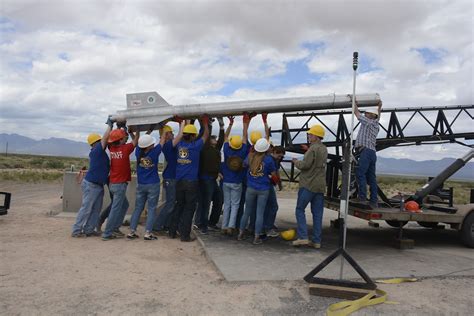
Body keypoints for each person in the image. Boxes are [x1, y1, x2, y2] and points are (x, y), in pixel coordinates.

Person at [169, 117, 209, 242]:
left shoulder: (179, 145)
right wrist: (205, 122)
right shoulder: (195, 146)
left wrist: (183, 122)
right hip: (191, 182)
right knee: (189, 208)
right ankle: (185, 236)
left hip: (179, 181)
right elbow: (206, 135)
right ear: (193, 136)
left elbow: (180, 136)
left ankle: (172, 231)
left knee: (178, 206)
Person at [71, 118, 112, 237]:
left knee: (95, 210)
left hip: (98, 185)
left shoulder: (98, 152)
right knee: (86, 209)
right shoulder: (97, 151)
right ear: (95, 143)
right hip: (91, 185)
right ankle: (76, 231)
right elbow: (105, 139)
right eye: (99, 141)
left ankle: (89, 230)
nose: (102, 142)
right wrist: (110, 126)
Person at [291, 124, 327, 248]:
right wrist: (308, 149)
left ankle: (303, 237)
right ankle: (316, 241)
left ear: (316, 136)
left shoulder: (312, 149)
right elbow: (316, 159)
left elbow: (305, 165)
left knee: (299, 209)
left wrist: (296, 162)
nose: (309, 136)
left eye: (311, 134)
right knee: (317, 214)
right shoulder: (323, 149)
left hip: (308, 184)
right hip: (320, 186)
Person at [238, 138, 279, 245]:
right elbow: (274, 175)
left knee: (247, 211)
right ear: (266, 149)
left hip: (251, 187)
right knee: (260, 213)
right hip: (264, 189)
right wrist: (274, 181)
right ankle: (257, 237)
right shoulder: (269, 160)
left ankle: (241, 233)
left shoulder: (250, 156)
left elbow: (243, 165)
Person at [102, 127, 139, 240]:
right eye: (124, 138)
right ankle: (108, 233)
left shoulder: (111, 148)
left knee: (124, 205)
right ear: (121, 140)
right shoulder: (125, 149)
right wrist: (137, 129)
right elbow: (136, 140)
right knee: (115, 209)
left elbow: (109, 139)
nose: (125, 139)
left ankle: (115, 228)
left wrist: (117, 128)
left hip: (113, 183)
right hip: (120, 185)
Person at [127, 133, 165, 240]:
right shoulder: (155, 152)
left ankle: (132, 231)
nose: (153, 144)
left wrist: (146, 131)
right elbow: (162, 140)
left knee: (138, 208)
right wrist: (164, 131)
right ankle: (148, 233)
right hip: (153, 184)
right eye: (151, 143)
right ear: (149, 146)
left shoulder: (138, 151)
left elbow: (139, 141)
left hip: (141, 184)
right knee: (152, 208)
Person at [221, 114, 251, 235]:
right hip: (237, 182)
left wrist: (230, 124)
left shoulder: (227, 150)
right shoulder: (243, 150)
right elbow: (244, 136)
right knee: (235, 205)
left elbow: (225, 136)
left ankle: (224, 225)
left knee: (227, 204)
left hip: (226, 182)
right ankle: (231, 226)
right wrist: (245, 122)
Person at [196, 117, 224, 234]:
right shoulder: (204, 148)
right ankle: (203, 226)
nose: (216, 140)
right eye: (213, 139)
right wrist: (209, 125)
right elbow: (206, 136)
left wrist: (222, 126)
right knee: (206, 203)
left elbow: (222, 140)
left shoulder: (216, 149)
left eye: (216, 139)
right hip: (205, 179)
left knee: (219, 200)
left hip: (213, 179)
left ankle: (212, 223)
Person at [355, 101, 382, 209]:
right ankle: (373, 200)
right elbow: (378, 115)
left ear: (370, 115)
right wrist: (379, 107)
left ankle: (362, 197)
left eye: (366, 113)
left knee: (360, 173)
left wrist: (354, 102)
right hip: (372, 153)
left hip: (365, 152)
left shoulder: (367, 122)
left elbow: (356, 113)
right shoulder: (376, 124)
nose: (364, 114)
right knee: (372, 178)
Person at [153, 125, 177, 233]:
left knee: (171, 202)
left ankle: (166, 225)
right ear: (167, 135)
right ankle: (157, 226)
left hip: (170, 177)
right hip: (171, 177)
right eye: (171, 133)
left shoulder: (169, 144)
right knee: (170, 203)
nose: (173, 134)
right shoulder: (168, 144)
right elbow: (180, 136)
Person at [263, 145, 285, 237]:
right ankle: (268, 227)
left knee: (267, 207)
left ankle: (266, 225)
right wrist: (278, 183)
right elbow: (275, 174)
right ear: (274, 152)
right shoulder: (271, 161)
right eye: (279, 156)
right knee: (273, 206)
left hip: (264, 185)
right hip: (268, 185)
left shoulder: (267, 158)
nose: (280, 158)